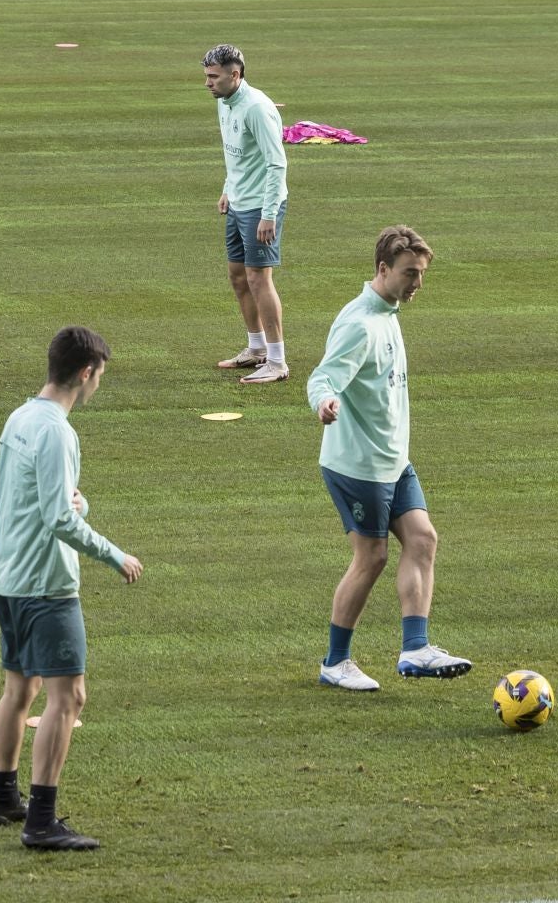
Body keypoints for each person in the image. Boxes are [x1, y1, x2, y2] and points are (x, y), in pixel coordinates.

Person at [0, 326, 143, 850]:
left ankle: (5, 799)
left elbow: (39, 498)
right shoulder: (57, 430)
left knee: (19, 690)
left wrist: (80, 505)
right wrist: (115, 554)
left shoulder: (21, 417)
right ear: (85, 372)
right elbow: (59, 519)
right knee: (69, 696)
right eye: (100, 376)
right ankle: (42, 822)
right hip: (46, 583)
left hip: (7, 576)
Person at [308, 226, 471, 691]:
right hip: (357, 464)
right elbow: (322, 377)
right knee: (372, 557)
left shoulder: (389, 311)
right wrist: (323, 403)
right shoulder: (359, 323)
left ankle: (416, 649)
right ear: (383, 269)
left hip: (393, 460)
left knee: (422, 539)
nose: (417, 282)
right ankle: (335, 662)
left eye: (421, 273)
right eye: (410, 273)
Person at [203, 43, 290, 384]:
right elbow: (236, 154)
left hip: (260, 206)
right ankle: (256, 349)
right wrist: (228, 187)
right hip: (239, 201)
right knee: (238, 276)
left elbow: (276, 162)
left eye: (214, 77)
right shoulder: (225, 102)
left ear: (234, 75)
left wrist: (269, 214)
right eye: (207, 77)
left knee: (259, 279)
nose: (208, 83)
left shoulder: (256, 108)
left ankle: (278, 361)